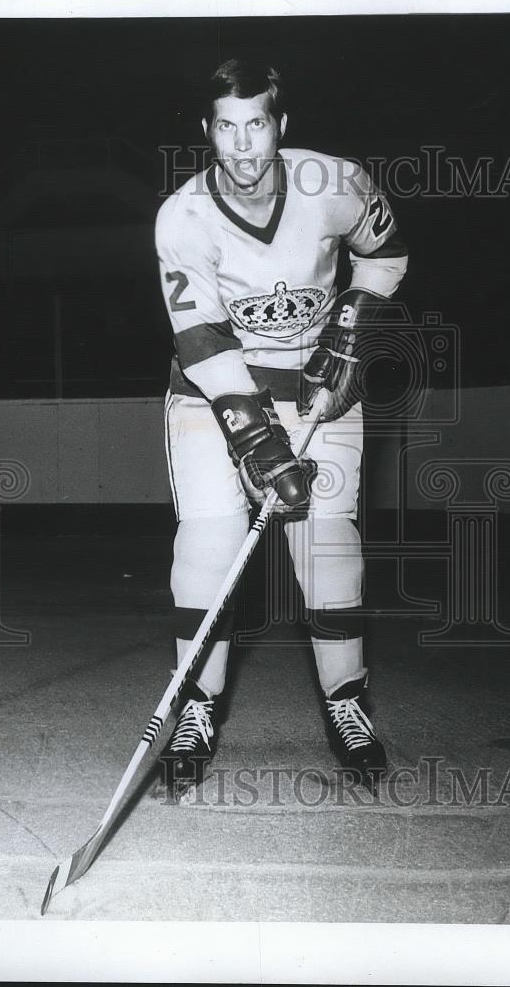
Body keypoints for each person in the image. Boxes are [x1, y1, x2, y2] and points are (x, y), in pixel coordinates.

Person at [154, 59, 408, 800]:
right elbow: (198, 335)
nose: (241, 145)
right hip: (214, 396)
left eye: (256, 123)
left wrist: (352, 331)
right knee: (209, 539)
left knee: (328, 540)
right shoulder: (182, 217)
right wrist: (254, 435)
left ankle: (346, 704)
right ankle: (197, 711)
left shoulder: (337, 184)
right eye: (225, 128)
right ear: (207, 132)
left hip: (322, 387)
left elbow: (386, 254)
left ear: (280, 125)